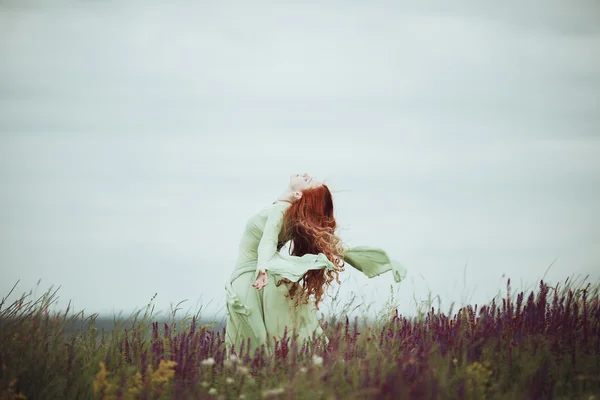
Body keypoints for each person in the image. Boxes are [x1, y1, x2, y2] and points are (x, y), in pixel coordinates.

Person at [225, 173, 407, 356]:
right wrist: (383, 262)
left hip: (253, 280)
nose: (306, 175)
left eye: (308, 181)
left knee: (249, 346)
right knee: (278, 342)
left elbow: (268, 241)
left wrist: (262, 267)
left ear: (298, 195)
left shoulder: (279, 210)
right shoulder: (291, 216)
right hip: (268, 281)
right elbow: (335, 248)